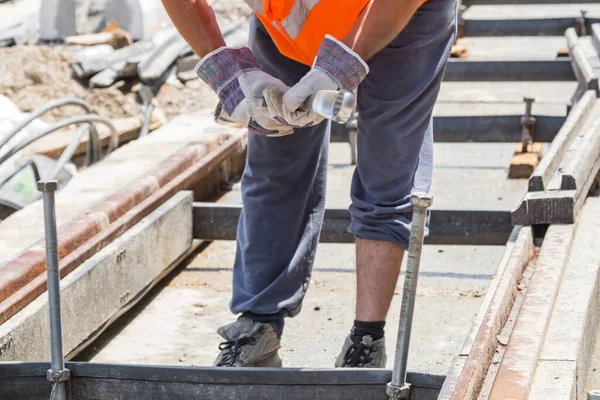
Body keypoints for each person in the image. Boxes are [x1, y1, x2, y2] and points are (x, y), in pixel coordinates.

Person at [161, 0, 456, 368]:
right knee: (275, 159)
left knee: (389, 161)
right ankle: (260, 322)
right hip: (288, 25)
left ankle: (366, 339)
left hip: (401, 13)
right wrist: (224, 68)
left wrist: (343, 64)